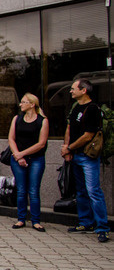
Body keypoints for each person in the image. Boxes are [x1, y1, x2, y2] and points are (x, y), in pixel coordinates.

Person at [61, 79, 110, 243]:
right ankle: (85, 222)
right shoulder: (75, 108)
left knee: (93, 191)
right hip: (75, 155)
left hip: (88, 157)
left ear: (84, 91)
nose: (70, 91)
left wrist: (70, 148)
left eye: (73, 88)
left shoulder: (93, 109)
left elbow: (88, 136)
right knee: (81, 191)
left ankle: (102, 227)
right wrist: (66, 147)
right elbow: (69, 128)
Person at [8, 93, 49, 232]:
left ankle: (36, 221)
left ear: (32, 104)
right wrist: (18, 156)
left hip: (36, 159)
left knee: (33, 190)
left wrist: (23, 154)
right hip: (18, 160)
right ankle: (21, 219)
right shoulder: (17, 119)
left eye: (24, 102)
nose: (20, 104)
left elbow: (41, 143)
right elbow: (11, 139)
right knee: (21, 190)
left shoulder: (42, 121)